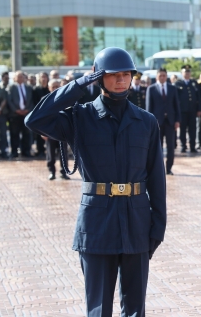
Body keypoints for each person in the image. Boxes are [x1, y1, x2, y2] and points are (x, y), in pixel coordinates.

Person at [25, 47, 166, 316]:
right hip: (97, 223)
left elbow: (157, 179)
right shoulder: (80, 118)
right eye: (114, 74)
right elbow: (35, 119)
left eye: (127, 74)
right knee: (99, 308)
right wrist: (77, 85)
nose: (122, 80)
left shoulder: (145, 122)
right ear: (98, 77)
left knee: (136, 309)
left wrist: (158, 226)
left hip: (137, 222)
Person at [146, 68, 180, 175]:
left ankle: (169, 168)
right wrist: (150, 123)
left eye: (164, 75)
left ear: (167, 76)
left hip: (170, 122)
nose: (162, 77)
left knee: (171, 146)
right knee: (157, 147)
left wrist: (177, 120)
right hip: (157, 123)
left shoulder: (172, 88)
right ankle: (158, 168)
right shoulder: (151, 89)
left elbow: (176, 105)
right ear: (157, 77)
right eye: (160, 75)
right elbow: (149, 108)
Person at [41, 79, 70, 180]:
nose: (55, 88)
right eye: (53, 87)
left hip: (62, 131)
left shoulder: (65, 98)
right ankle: (52, 172)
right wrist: (42, 132)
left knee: (63, 153)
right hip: (49, 131)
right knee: (50, 153)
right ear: (49, 88)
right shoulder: (44, 99)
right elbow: (41, 118)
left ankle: (64, 172)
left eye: (57, 86)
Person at [7, 71, 34, 158]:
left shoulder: (29, 87)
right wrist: (16, 110)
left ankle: (26, 151)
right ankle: (14, 152)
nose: (20, 78)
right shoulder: (11, 87)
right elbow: (9, 101)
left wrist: (28, 110)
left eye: (21, 76)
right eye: (18, 77)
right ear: (14, 78)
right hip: (15, 115)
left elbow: (32, 100)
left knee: (27, 134)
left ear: (24, 78)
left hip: (26, 114)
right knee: (14, 134)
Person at [175, 65, 201, 153]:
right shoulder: (178, 83)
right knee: (182, 130)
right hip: (182, 111)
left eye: (188, 72)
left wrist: (199, 109)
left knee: (192, 129)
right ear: (182, 73)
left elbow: (198, 97)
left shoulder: (194, 83)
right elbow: (176, 99)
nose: (187, 73)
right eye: (185, 72)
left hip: (192, 111)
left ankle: (192, 146)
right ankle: (183, 146)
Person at [32, 71, 51, 156]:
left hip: (50, 114)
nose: (43, 79)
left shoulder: (50, 88)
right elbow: (34, 102)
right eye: (42, 77)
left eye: (45, 77)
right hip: (40, 114)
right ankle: (40, 150)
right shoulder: (36, 89)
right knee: (40, 133)